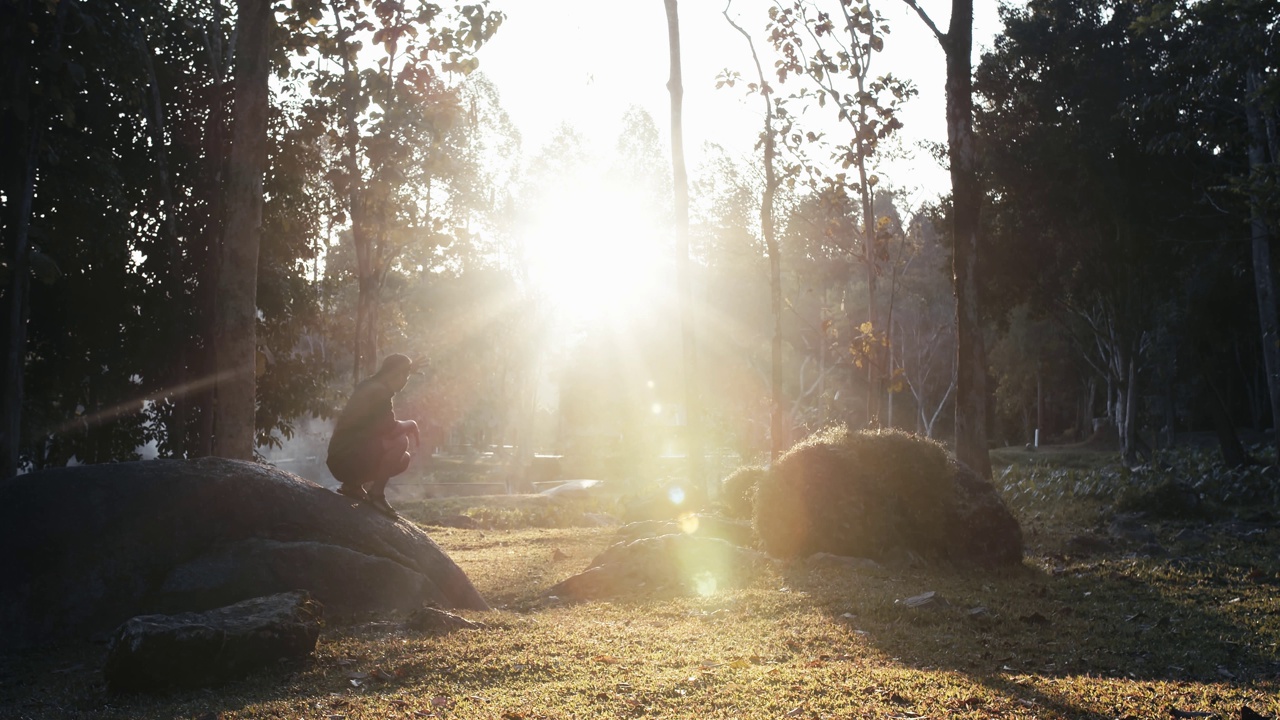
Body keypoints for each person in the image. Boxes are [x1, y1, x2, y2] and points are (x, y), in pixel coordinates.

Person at [327, 353, 422, 517]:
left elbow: (381, 428)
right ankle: (376, 495)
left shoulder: (372, 385)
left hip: (342, 459)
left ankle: (352, 486)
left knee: (404, 459)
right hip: (345, 459)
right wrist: (412, 424)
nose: (406, 381)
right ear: (397, 374)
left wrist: (407, 369)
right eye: (405, 376)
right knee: (400, 441)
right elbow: (391, 429)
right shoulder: (379, 392)